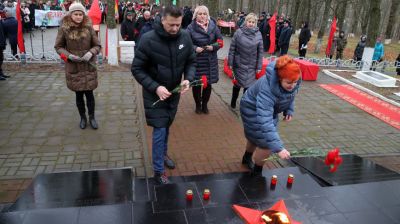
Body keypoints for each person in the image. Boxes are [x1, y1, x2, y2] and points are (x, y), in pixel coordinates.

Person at [131, 6, 196, 184]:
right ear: (162, 20)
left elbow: (191, 61)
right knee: (159, 129)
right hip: (155, 95)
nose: (175, 29)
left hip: (174, 93)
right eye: (171, 25)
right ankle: (158, 171)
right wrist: (155, 87)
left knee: (167, 125)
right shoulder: (147, 39)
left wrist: (187, 79)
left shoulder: (185, 36)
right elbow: (136, 69)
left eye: (178, 25)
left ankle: (163, 154)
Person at [240, 55, 301, 175]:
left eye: (295, 82)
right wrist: (279, 148)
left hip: (266, 109)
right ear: (279, 79)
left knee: (257, 137)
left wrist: (289, 109)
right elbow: (265, 122)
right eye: (289, 82)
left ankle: (246, 158)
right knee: (266, 144)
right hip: (252, 109)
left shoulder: (292, 79)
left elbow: (290, 94)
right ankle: (257, 172)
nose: (293, 85)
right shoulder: (267, 90)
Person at [54, 2, 101, 130]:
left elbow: (97, 45)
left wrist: (91, 52)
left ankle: (92, 117)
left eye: (80, 14)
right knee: (79, 95)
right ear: (71, 14)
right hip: (74, 67)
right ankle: (83, 118)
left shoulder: (89, 27)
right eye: (76, 14)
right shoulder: (64, 29)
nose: (78, 16)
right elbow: (58, 47)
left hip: (88, 66)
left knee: (90, 95)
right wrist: (68, 56)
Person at [187, 5, 222, 114]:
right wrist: (195, 48)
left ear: (208, 15)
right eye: (200, 14)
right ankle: (198, 105)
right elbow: (186, 43)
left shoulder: (213, 26)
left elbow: (220, 41)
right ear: (195, 15)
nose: (202, 16)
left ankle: (205, 105)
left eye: (204, 14)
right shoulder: (190, 28)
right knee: (197, 85)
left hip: (210, 61)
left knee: (208, 85)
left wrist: (213, 47)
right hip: (197, 61)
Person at [228, 13, 263, 109]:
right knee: (237, 85)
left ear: (255, 23)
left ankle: (244, 105)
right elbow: (232, 48)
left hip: (251, 65)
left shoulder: (258, 34)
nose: (251, 24)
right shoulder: (239, 32)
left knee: (248, 87)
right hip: (239, 64)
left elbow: (260, 52)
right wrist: (230, 62)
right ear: (246, 21)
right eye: (249, 21)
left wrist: (259, 66)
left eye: (253, 22)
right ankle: (233, 102)